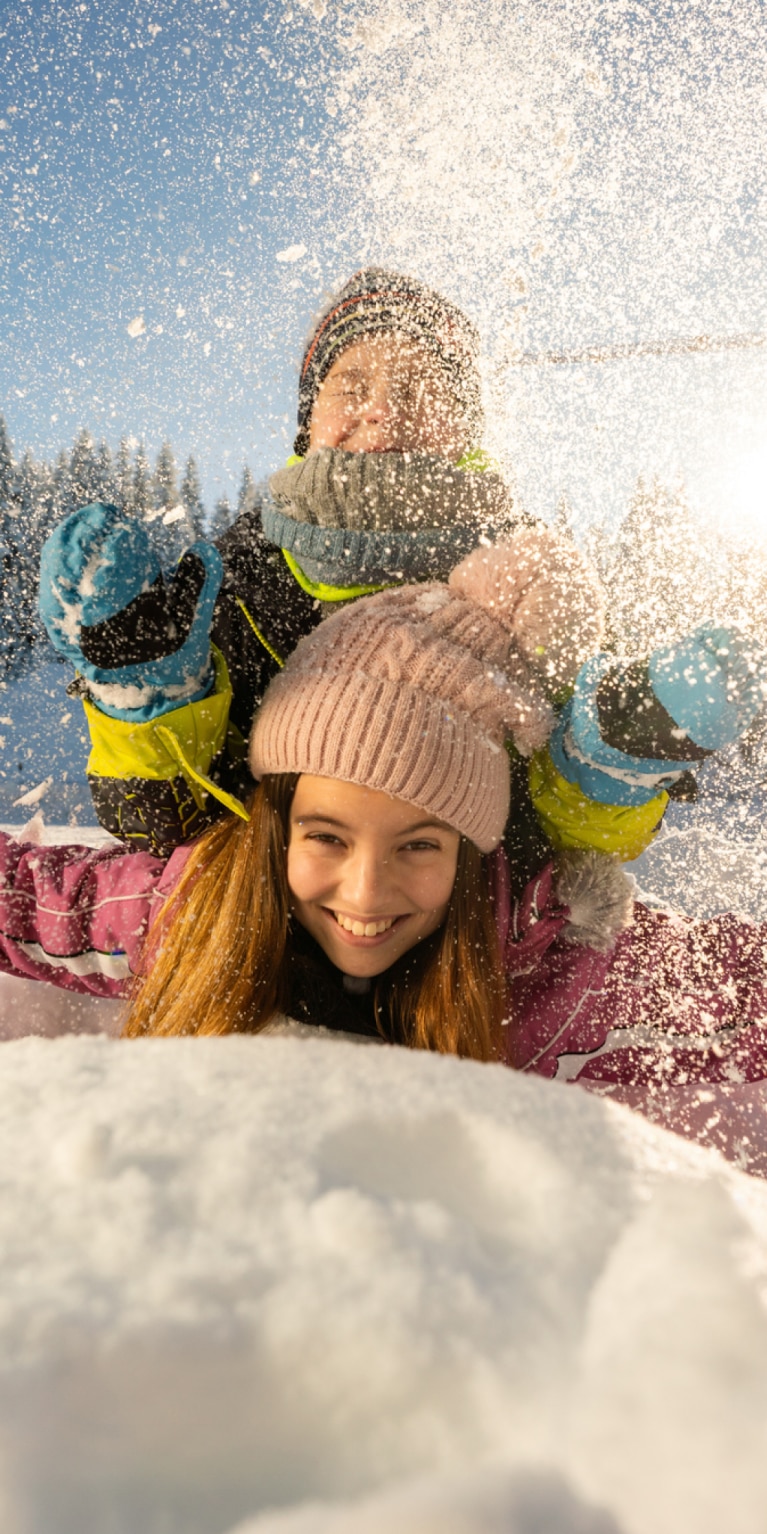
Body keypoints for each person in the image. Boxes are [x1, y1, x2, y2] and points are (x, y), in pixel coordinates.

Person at [4, 541, 767, 1098]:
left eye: (419, 844)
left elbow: (730, 990)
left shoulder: (541, 969)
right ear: (279, 829)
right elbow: (36, 903)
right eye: (327, 836)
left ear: (470, 853)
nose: (366, 893)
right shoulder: (193, 908)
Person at [39, 267, 691, 897]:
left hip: (475, 950)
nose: (380, 410)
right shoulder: (237, 577)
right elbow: (160, 827)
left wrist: (608, 772)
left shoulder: (532, 578)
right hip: (264, 939)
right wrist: (145, 698)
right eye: (350, 387)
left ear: (465, 426)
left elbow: (577, 852)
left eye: (416, 390)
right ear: (310, 419)